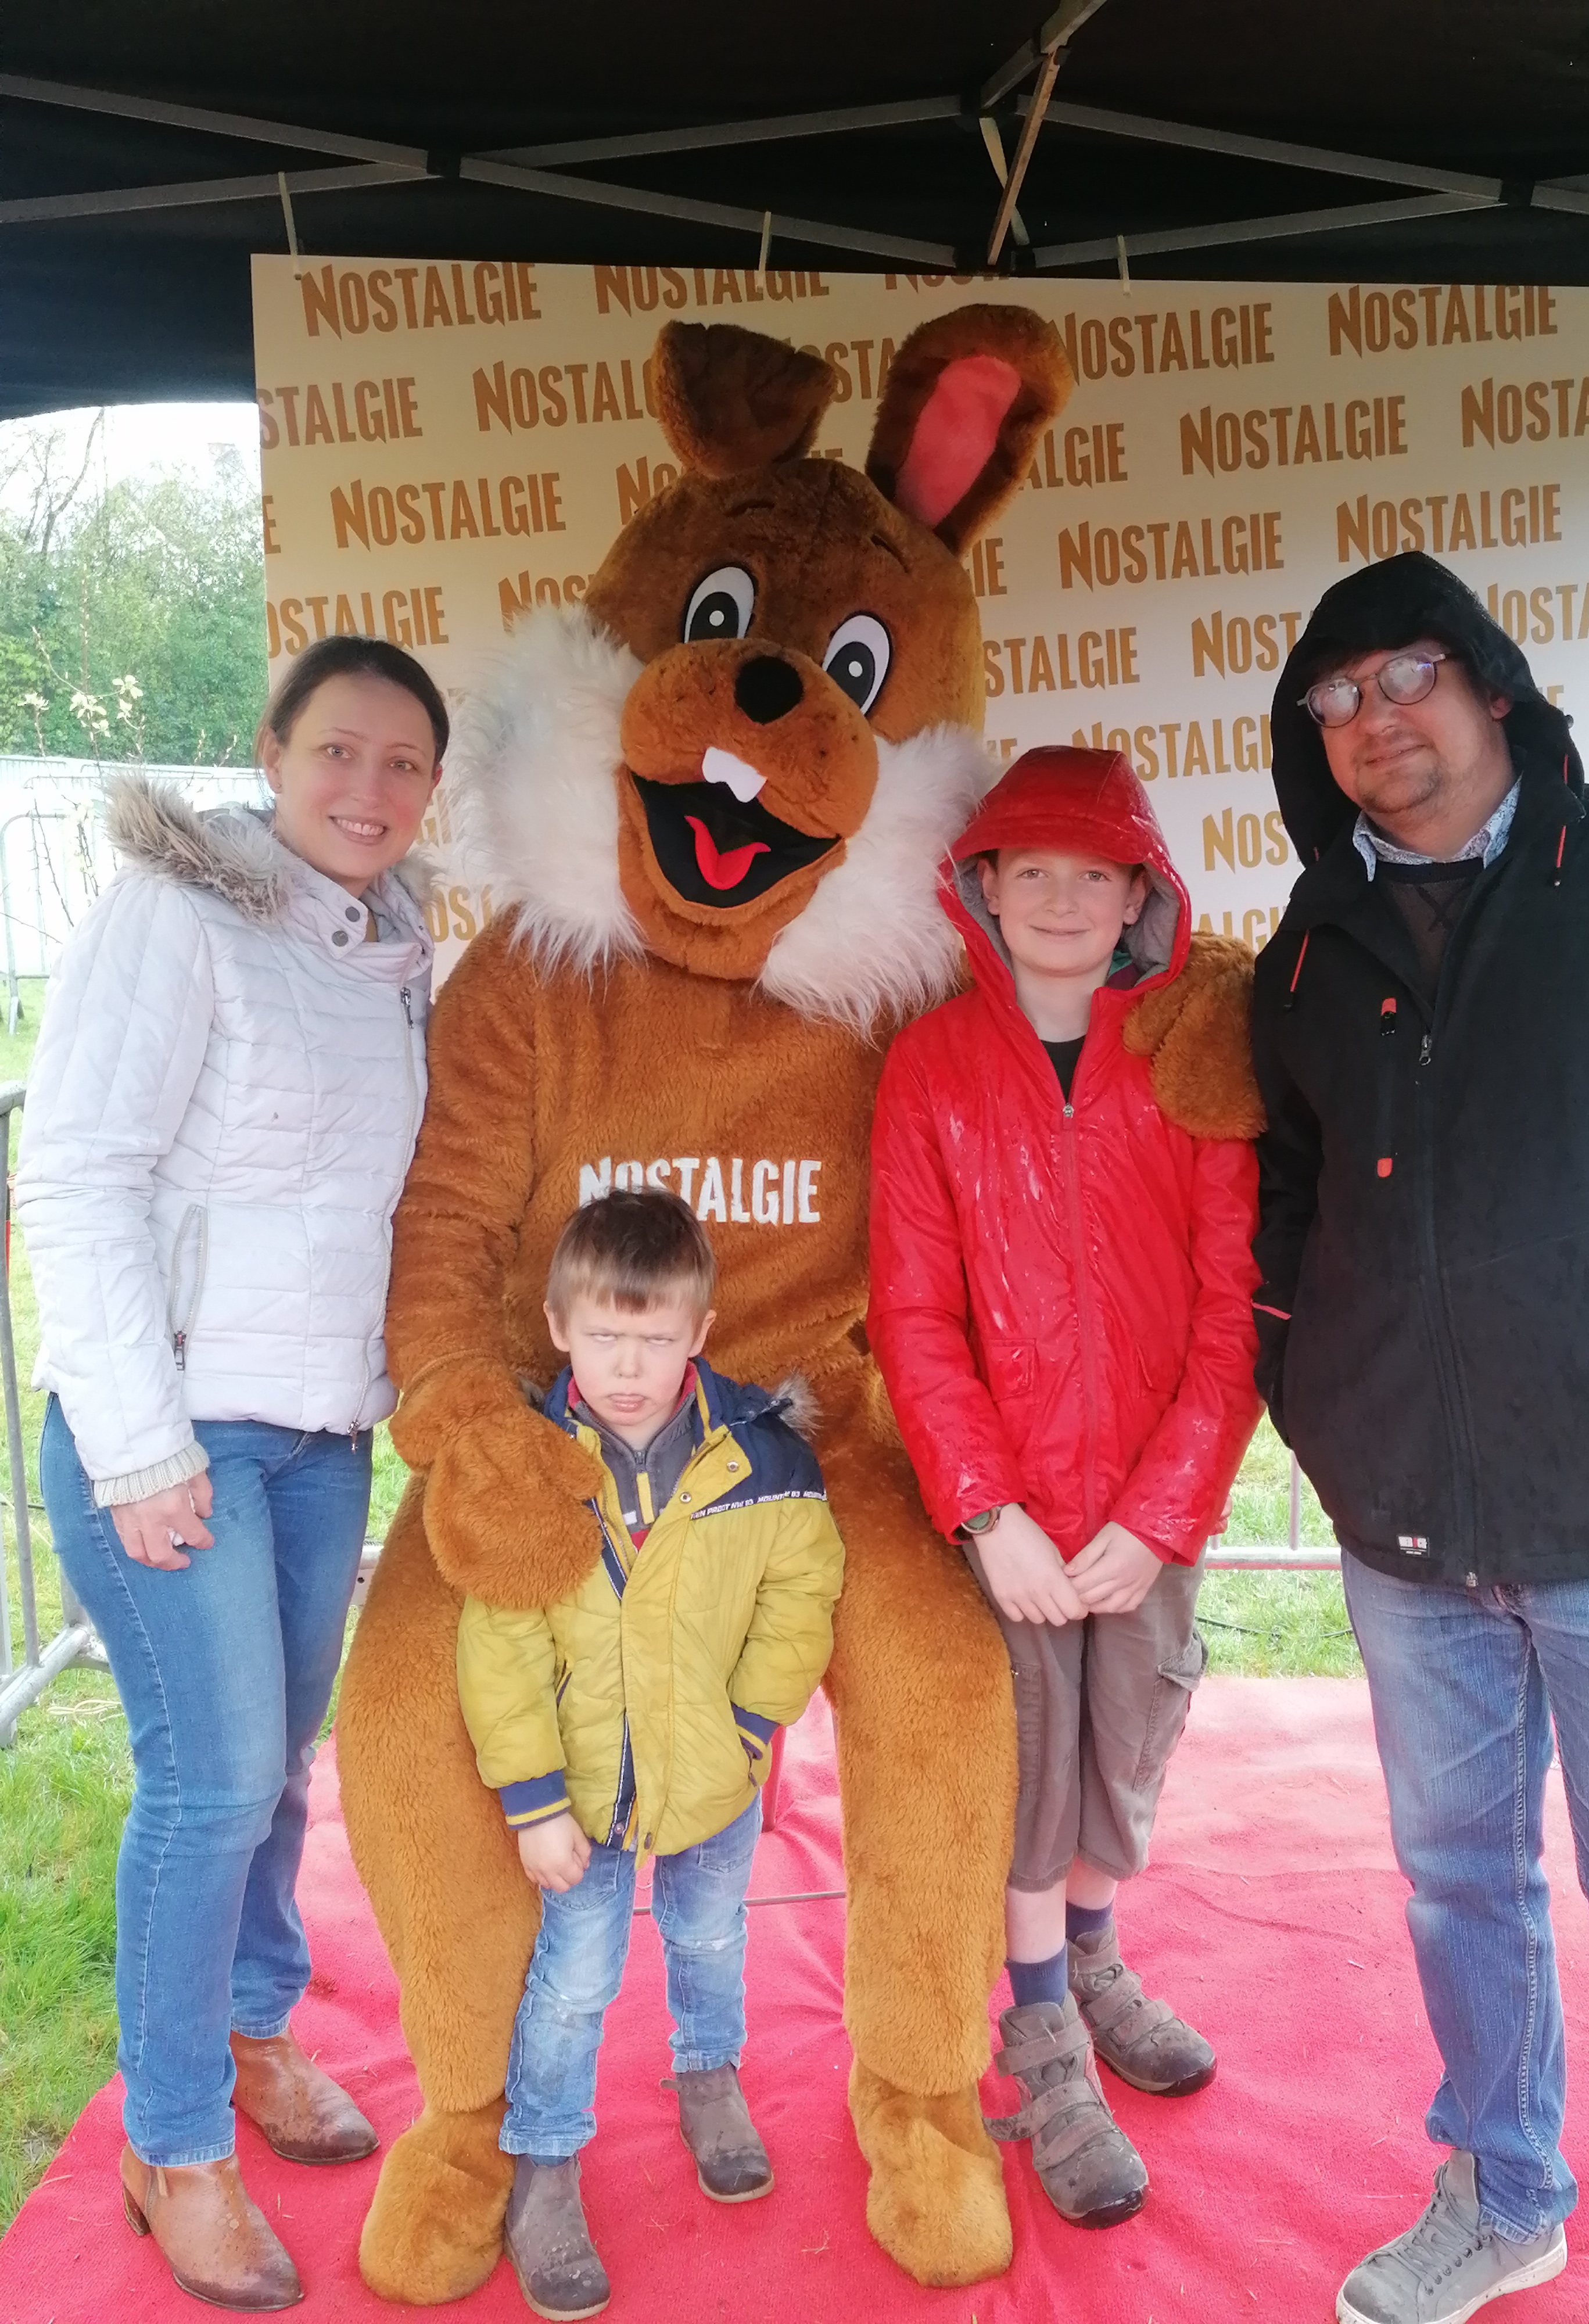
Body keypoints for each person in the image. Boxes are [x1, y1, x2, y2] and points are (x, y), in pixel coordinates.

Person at [1251, 550, 1589, 2324]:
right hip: (1410, 1531)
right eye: (1337, 696)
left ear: (1492, 687)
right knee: (1460, 1887)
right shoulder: (1309, 953)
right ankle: (1506, 2194)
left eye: (1408, 676)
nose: (1374, 719)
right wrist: (1318, 1397)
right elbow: (1288, 1208)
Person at [17, 634, 444, 2311]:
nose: (369, 789)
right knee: (209, 1782)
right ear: (273, 750)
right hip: (175, 1432)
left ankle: (255, 2030)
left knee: (275, 1776)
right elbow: (77, 1174)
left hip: (318, 1432)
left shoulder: (391, 947)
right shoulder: (172, 915)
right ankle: (174, 2139)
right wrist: (137, 1444)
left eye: (405, 763)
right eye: (339, 749)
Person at [866, 745, 1261, 2230]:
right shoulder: (931, 1065)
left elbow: (1232, 1306)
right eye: (1031, 871)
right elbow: (913, 1310)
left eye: (1095, 874)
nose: (1061, 900)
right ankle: (1041, 2030)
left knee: (1122, 1754)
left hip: (1144, 1515)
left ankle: (1092, 1958)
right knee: (1030, 1780)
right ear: (981, 885)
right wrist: (986, 1509)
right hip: (1016, 1524)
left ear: (1140, 895)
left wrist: (1164, 1515)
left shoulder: (1186, 1059)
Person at [457, 1188, 844, 2320]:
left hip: (716, 1774)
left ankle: (708, 2072)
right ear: (558, 1325)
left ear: (701, 1332)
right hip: (581, 1794)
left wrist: (751, 1728)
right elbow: (502, 1642)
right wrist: (534, 1800)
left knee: (711, 1932)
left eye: (657, 1338)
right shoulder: (532, 1471)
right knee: (575, 1976)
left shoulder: (764, 1460)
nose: (630, 1367)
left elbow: (800, 1595)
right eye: (605, 1337)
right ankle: (545, 2158)